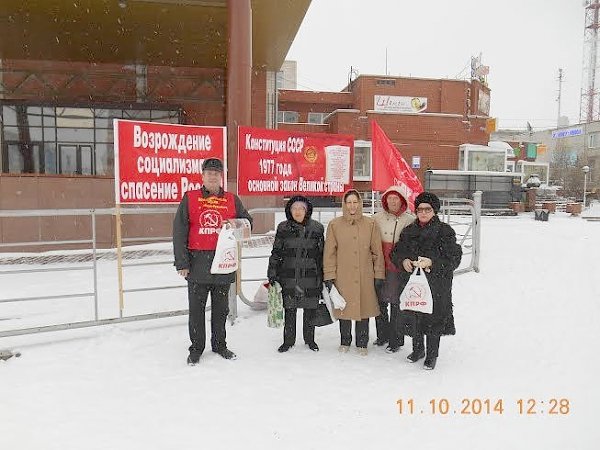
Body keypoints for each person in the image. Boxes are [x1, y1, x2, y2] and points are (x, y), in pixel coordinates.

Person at [173, 158, 253, 366]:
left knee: (221, 309)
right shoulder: (190, 198)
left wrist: (234, 223)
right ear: (202, 175)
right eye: (209, 172)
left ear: (221, 177)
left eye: (216, 173)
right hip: (197, 262)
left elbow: (247, 224)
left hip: (223, 263)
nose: (212, 176)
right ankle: (196, 348)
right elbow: (179, 231)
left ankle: (220, 345)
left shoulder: (232, 199)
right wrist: (182, 263)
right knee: (196, 310)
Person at [391, 192, 462, 370]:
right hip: (413, 283)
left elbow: (454, 258)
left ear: (435, 211)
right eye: (420, 209)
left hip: (436, 284)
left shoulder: (445, 232)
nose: (423, 213)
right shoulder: (409, 231)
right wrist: (403, 261)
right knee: (415, 315)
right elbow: (396, 252)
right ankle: (418, 350)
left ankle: (432, 354)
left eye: (427, 209)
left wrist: (432, 262)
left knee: (433, 318)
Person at [323, 189, 385, 356]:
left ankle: (362, 342)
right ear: (344, 204)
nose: (352, 206)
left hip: (365, 274)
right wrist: (329, 276)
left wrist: (378, 274)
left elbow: (377, 252)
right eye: (349, 202)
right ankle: (345, 340)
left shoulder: (370, 224)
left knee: (363, 309)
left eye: (355, 202)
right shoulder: (335, 225)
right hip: (343, 275)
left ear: (360, 204)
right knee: (343, 308)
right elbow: (330, 253)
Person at [267, 195, 325, 353]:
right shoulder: (283, 228)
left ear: (307, 211)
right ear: (289, 210)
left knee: (310, 309)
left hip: (310, 275)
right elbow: (276, 253)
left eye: (301, 208)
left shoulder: (317, 228)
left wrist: (323, 276)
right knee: (290, 309)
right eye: (294, 208)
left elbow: (321, 255)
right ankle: (288, 340)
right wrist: (272, 272)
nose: (298, 212)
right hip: (288, 275)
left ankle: (310, 339)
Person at [372, 186, 415, 353]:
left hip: (398, 267)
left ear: (402, 200)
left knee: (397, 304)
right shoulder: (376, 218)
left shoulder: (409, 220)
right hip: (380, 266)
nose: (392, 201)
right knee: (379, 302)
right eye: (389, 198)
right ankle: (382, 335)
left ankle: (396, 339)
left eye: (396, 198)